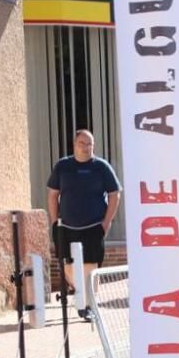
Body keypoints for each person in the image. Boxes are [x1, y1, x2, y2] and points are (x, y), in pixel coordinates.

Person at [46, 129, 122, 322]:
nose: (86, 147)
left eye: (90, 144)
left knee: (90, 268)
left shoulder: (101, 167)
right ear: (74, 144)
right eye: (82, 143)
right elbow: (53, 195)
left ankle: (87, 306)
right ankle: (80, 294)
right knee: (68, 267)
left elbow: (115, 194)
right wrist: (54, 221)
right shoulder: (62, 166)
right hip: (66, 227)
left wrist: (107, 222)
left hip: (93, 226)